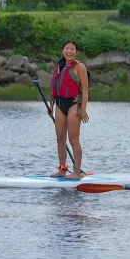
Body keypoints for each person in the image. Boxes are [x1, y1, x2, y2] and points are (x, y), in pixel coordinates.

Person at [48, 40, 90, 179]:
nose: (69, 51)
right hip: (60, 104)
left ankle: (77, 172)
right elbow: (54, 88)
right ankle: (62, 169)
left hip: (73, 104)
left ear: (76, 52)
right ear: (63, 50)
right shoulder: (59, 66)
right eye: (67, 48)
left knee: (73, 139)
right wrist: (51, 106)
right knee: (60, 139)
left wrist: (83, 109)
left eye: (72, 49)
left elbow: (84, 89)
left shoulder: (80, 67)